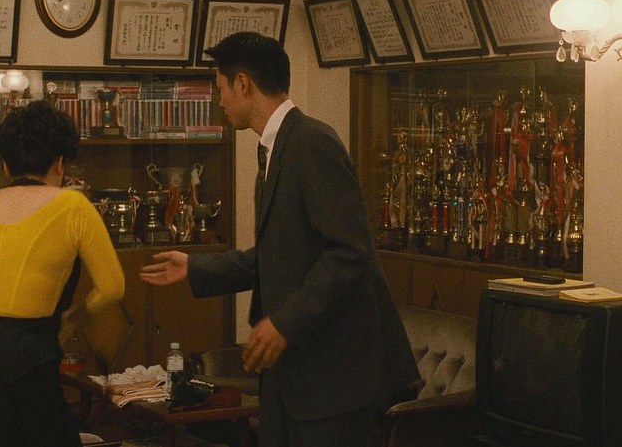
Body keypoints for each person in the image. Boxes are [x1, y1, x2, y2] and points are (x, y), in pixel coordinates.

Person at [140, 32, 420, 447]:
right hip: (291, 381)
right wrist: (196, 266)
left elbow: (349, 252)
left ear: (242, 83)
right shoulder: (274, 149)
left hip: (333, 386)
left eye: (220, 88)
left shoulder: (312, 143)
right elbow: (279, 256)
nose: (219, 101)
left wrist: (284, 323)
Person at [0, 100, 125, 447]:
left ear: (6, 166)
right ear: (60, 163)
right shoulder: (73, 205)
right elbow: (112, 287)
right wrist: (73, 321)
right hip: (26, 357)